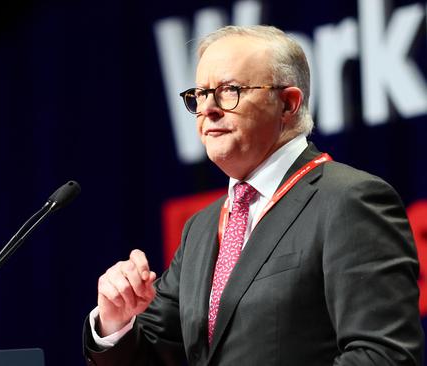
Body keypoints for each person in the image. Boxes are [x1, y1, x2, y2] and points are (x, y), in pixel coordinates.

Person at [82, 25, 423, 366]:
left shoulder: (348, 200)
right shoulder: (201, 228)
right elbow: (154, 353)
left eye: (230, 90)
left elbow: (384, 356)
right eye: (200, 94)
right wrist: (116, 321)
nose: (209, 109)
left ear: (288, 103)